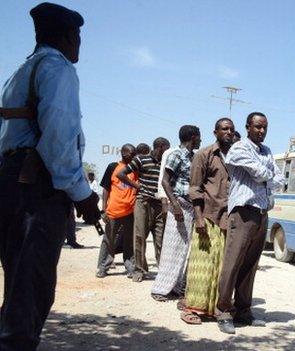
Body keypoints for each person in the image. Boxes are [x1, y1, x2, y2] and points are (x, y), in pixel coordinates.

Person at [0, 3, 100, 349]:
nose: (79, 46)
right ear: (68, 36)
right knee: (31, 291)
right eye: (78, 37)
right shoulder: (58, 69)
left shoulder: (21, 71)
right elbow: (58, 142)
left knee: (16, 287)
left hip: (11, 184)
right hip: (37, 190)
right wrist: (83, 194)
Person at [215, 112, 285, 334]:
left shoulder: (267, 151)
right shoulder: (238, 148)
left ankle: (244, 310)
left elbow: (279, 180)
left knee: (250, 264)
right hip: (243, 213)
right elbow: (259, 173)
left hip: (261, 211)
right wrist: (269, 176)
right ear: (247, 127)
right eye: (257, 127)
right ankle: (224, 311)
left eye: (265, 127)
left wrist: (269, 177)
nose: (261, 131)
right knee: (233, 262)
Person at [181, 118, 235, 324]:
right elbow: (195, 188)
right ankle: (192, 308)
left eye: (231, 129)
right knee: (201, 265)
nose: (228, 132)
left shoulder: (237, 157)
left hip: (228, 218)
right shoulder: (204, 155)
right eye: (224, 129)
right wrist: (199, 217)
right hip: (208, 216)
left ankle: (214, 309)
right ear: (215, 132)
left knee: (222, 266)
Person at [151, 126, 201, 301]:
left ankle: (176, 287)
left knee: (183, 250)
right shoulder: (175, 155)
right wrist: (174, 204)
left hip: (190, 206)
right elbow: (165, 181)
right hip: (178, 205)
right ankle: (160, 289)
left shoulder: (193, 157)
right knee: (172, 248)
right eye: (199, 137)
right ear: (193, 137)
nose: (201, 141)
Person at [117, 137, 170, 282]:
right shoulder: (141, 159)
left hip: (159, 205)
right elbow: (120, 174)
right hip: (143, 203)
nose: (168, 152)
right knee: (140, 236)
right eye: (166, 148)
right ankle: (140, 270)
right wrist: (137, 186)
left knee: (160, 239)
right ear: (159, 147)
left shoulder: (166, 164)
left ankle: (164, 271)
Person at [96, 143, 137, 278]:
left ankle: (130, 267)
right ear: (124, 153)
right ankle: (103, 267)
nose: (134, 156)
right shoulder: (113, 167)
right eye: (132, 153)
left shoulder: (135, 168)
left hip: (130, 211)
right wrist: (103, 210)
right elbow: (106, 188)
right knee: (109, 240)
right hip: (113, 211)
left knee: (129, 241)